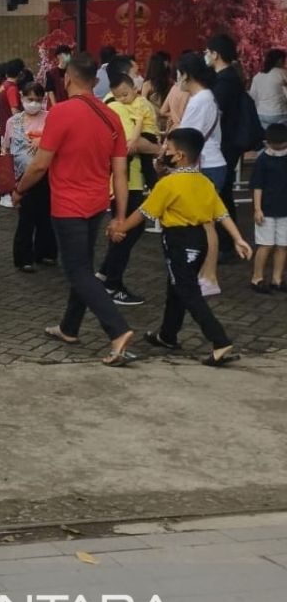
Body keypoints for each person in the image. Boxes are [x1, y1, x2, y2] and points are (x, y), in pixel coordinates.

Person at [13, 52, 135, 367]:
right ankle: (69, 328)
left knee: (78, 272)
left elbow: (40, 164)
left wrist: (18, 189)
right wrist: (120, 217)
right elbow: (120, 174)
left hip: (68, 205)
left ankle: (117, 330)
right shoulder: (111, 117)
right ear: (96, 81)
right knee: (82, 265)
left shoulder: (62, 113)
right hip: (97, 205)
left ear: (67, 79)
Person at [109, 127, 252, 366]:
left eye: (168, 149)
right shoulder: (203, 181)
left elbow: (143, 212)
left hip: (179, 242)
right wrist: (238, 238)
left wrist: (119, 229)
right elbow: (222, 214)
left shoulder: (169, 184)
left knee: (187, 291)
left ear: (180, 156)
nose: (163, 151)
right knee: (176, 287)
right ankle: (167, 334)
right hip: (199, 241)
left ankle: (220, 341)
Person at [97, 70, 162, 306]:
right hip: (125, 181)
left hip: (128, 179)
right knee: (126, 229)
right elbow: (132, 145)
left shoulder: (130, 103)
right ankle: (112, 283)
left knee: (128, 229)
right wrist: (156, 149)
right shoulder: (117, 107)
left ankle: (105, 274)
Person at [177, 52, 225, 296]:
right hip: (210, 163)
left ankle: (209, 277)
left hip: (205, 166)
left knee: (206, 224)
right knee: (204, 223)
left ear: (186, 74)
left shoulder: (200, 100)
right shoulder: (206, 97)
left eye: (179, 73)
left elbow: (187, 138)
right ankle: (205, 275)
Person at [205, 34, 247, 264]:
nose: (206, 56)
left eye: (207, 52)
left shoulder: (225, 81)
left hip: (225, 145)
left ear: (216, 54)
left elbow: (214, 112)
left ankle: (226, 243)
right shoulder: (227, 78)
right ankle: (228, 242)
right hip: (226, 144)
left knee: (220, 194)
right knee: (224, 193)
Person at [8, 82, 57, 271]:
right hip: (23, 174)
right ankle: (23, 257)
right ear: (22, 98)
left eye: (38, 100)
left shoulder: (51, 118)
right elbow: (7, 149)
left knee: (46, 215)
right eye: (30, 99)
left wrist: (42, 141)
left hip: (46, 172)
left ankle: (45, 252)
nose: (34, 103)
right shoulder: (14, 122)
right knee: (26, 217)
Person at [250, 123, 287, 292]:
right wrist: (258, 208)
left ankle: (277, 279)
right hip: (267, 210)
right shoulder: (262, 160)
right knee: (265, 245)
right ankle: (257, 278)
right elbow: (257, 186)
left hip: (283, 210)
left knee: (282, 245)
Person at [250, 49, 287, 129]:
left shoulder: (257, 76)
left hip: (261, 114)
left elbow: (253, 97)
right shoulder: (282, 73)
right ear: (280, 60)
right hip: (280, 113)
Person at [142, 51, 174, 132]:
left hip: (153, 121)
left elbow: (143, 103)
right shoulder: (171, 83)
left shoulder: (148, 84)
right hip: (168, 120)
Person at [0, 59, 24, 129]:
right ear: (20, 72)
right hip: (12, 129)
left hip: (4, 125)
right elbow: (15, 111)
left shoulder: (4, 85)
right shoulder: (12, 88)